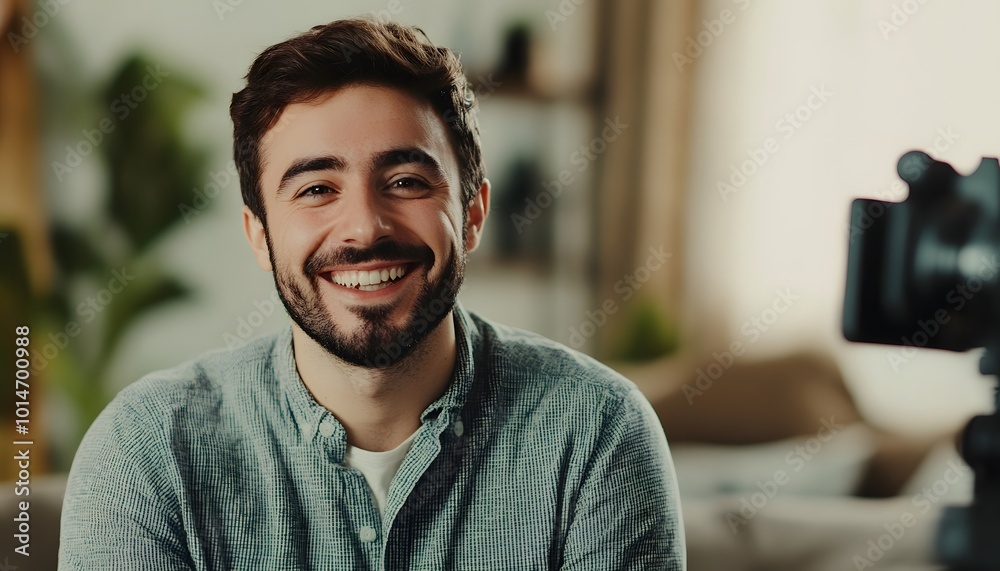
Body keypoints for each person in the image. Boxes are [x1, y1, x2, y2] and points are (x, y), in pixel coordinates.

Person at [59, 17, 685, 570]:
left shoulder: (597, 431)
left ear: (472, 214)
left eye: (407, 180)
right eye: (315, 189)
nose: (365, 226)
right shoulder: (147, 452)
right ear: (260, 235)